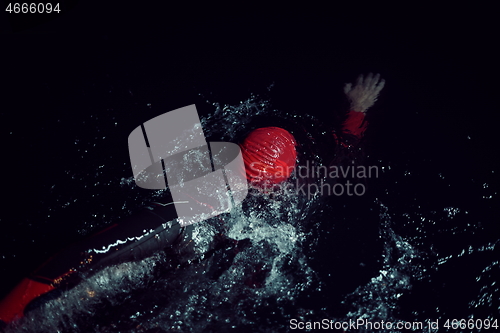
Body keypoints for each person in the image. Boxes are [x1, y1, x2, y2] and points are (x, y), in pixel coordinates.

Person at [0, 73, 385, 326]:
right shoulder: (293, 207)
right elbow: (344, 152)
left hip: (189, 245)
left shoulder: (198, 200)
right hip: (226, 276)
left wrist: (7, 315)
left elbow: (92, 252)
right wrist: (358, 110)